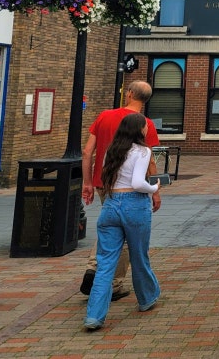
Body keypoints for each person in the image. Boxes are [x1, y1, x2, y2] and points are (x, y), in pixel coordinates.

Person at [80, 81, 161, 299]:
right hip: (130, 188)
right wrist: (155, 190)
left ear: (130, 94)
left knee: (110, 224)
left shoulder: (105, 116)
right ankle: (113, 284)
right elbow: (150, 159)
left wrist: (87, 182)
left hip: (103, 182)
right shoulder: (146, 123)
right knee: (124, 234)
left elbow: (88, 152)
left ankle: (94, 267)